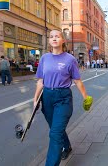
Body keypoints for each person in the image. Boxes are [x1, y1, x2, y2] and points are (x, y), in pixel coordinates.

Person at [33, 30, 90, 166]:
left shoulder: (70, 59)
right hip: (47, 97)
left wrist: (85, 97)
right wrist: (35, 99)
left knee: (55, 133)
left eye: (57, 36)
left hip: (63, 98)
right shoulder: (44, 58)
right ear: (49, 40)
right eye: (51, 36)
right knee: (54, 128)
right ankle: (67, 146)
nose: (54, 38)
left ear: (63, 40)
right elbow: (40, 80)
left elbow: (77, 81)